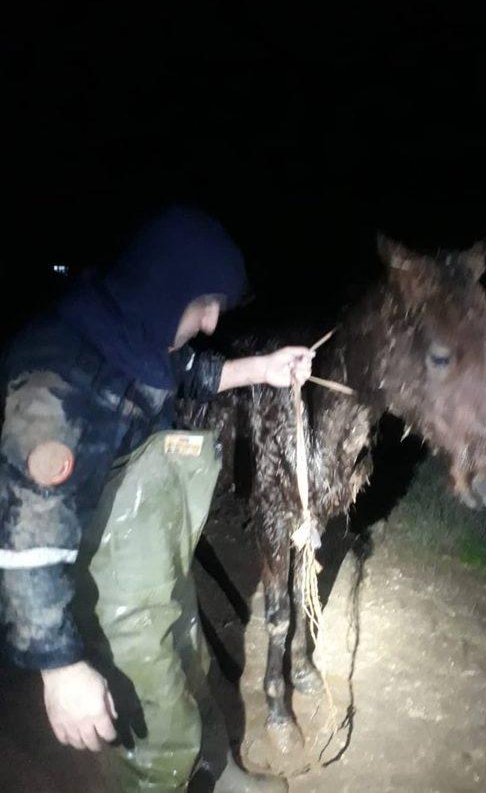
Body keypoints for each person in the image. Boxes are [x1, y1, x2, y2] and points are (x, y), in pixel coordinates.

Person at [0, 205, 314, 792]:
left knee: (188, 673)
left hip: (153, 565)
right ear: (167, 286)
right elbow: (24, 540)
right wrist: (60, 669)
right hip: (102, 588)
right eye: (206, 303)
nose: (213, 321)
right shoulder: (58, 380)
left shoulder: (129, 334)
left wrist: (266, 368)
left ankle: (217, 775)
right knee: (149, 712)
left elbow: (186, 373)